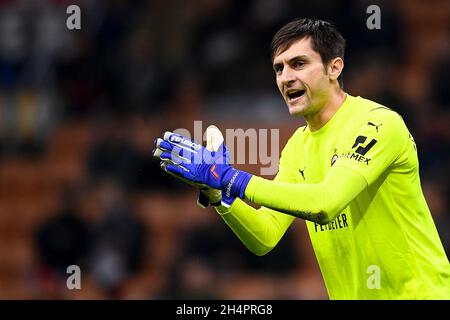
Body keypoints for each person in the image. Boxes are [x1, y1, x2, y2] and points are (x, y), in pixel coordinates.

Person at [153, 18, 450, 299]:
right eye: (279, 68)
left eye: (298, 64)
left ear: (334, 68)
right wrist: (218, 195)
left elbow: (325, 203)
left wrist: (228, 177)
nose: (286, 77)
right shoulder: (297, 146)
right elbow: (265, 236)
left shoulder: (378, 124)